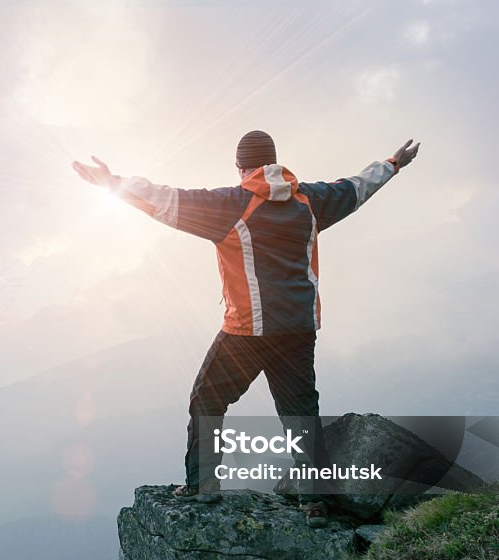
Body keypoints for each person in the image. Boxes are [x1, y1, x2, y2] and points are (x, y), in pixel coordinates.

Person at [72, 132, 420, 523]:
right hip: (299, 328)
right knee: (300, 412)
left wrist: (112, 183)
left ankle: (203, 486)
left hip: (247, 332)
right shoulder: (311, 200)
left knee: (207, 399)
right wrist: (392, 164)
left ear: (240, 166)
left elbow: (165, 198)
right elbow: (355, 188)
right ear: (274, 162)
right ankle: (316, 501)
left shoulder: (230, 205)